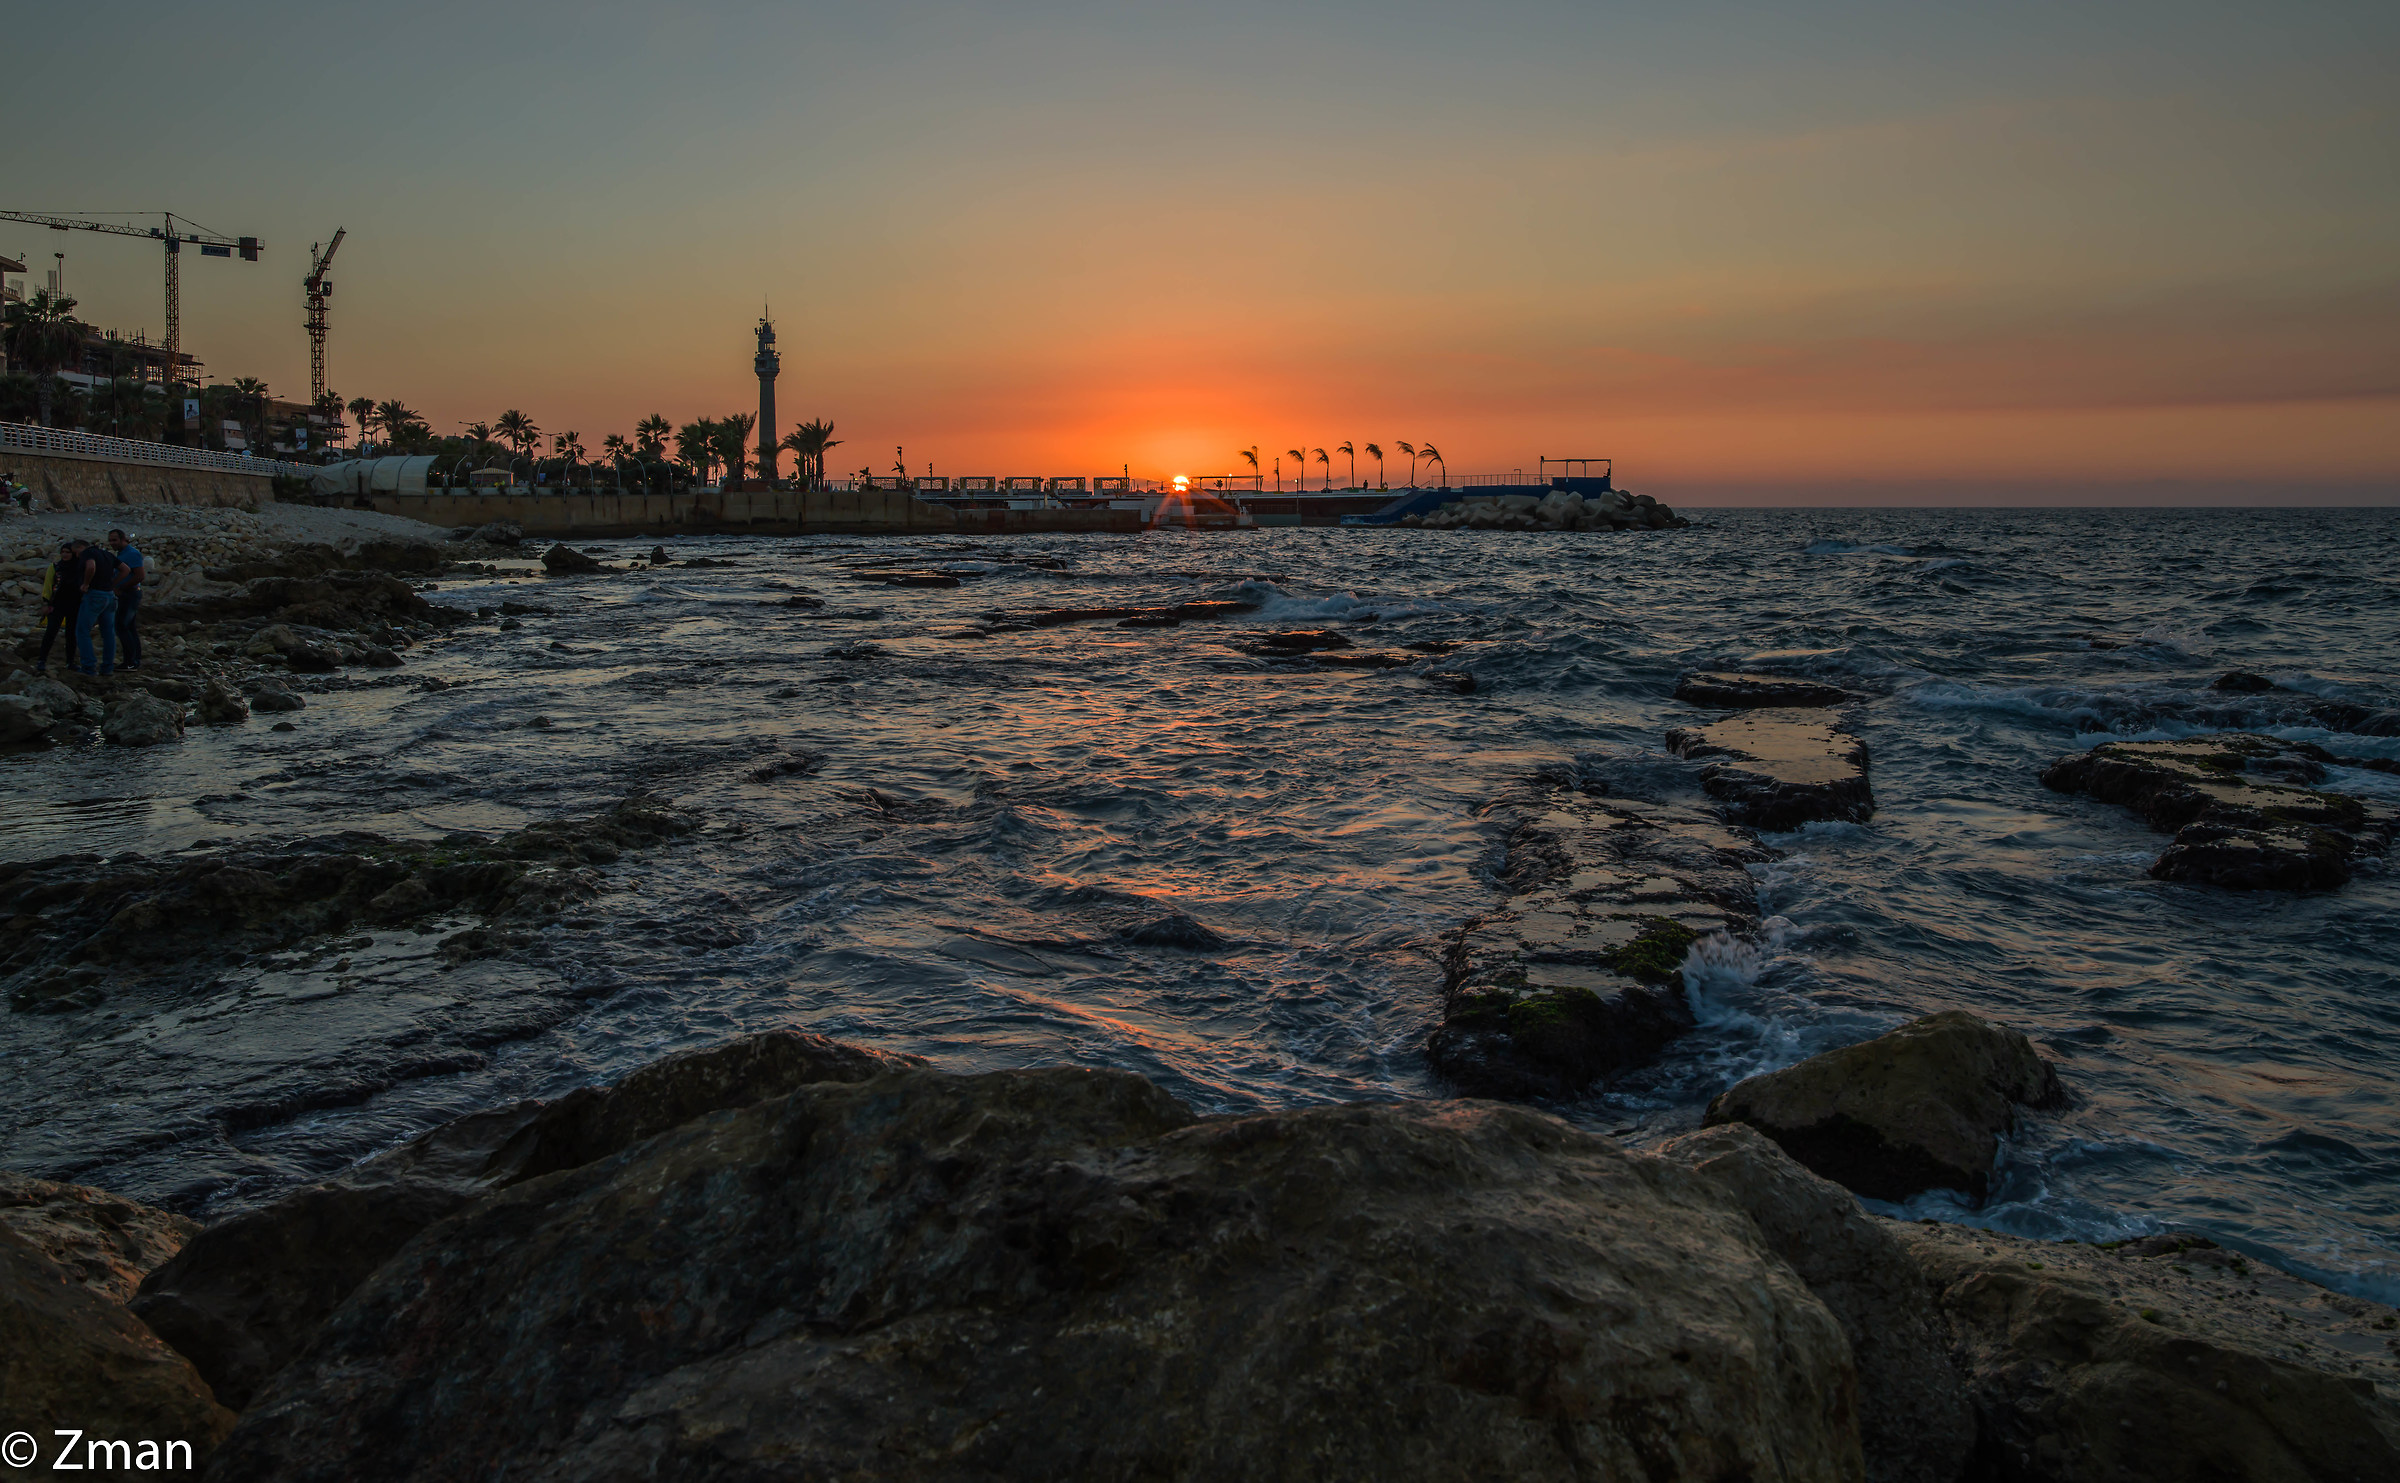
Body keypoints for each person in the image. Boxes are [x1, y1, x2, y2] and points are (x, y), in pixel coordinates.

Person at [73, 536, 122, 677]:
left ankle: (89, 667)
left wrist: (86, 583)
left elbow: (91, 566)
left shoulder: (88, 553)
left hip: (95, 595)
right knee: (108, 633)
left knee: (82, 631)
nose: (77, 556)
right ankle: (107, 668)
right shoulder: (107, 554)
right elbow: (125, 569)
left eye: (76, 553)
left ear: (80, 548)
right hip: (109, 595)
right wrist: (112, 584)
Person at [33, 539, 79, 673]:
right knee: (50, 632)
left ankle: (70, 662)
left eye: (68, 552)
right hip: (57, 604)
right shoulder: (55, 567)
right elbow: (48, 586)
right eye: (63, 552)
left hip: (74, 605)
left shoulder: (79, 567)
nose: (65, 555)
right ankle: (42, 660)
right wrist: (46, 602)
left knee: (71, 635)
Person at [106, 528, 146, 671]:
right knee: (129, 627)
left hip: (130, 594)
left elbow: (139, 576)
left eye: (115, 540)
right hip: (126, 594)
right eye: (110, 540)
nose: (112, 543)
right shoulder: (122, 554)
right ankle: (134, 660)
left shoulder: (132, 554)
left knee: (122, 626)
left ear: (123, 539)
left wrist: (120, 587)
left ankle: (130, 662)